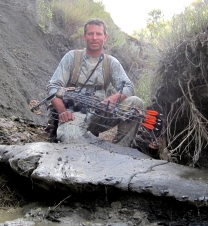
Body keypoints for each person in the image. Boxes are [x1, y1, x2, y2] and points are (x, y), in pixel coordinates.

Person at [46, 18, 143, 146]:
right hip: (75, 114)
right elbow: (53, 87)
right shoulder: (72, 57)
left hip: (101, 114)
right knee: (71, 138)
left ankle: (120, 151)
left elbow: (128, 87)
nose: (94, 38)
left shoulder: (111, 62)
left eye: (98, 34)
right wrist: (63, 111)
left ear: (105, 37)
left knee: (136, 104)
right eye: (90, 33)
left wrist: (113, 100)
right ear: (85, 36)